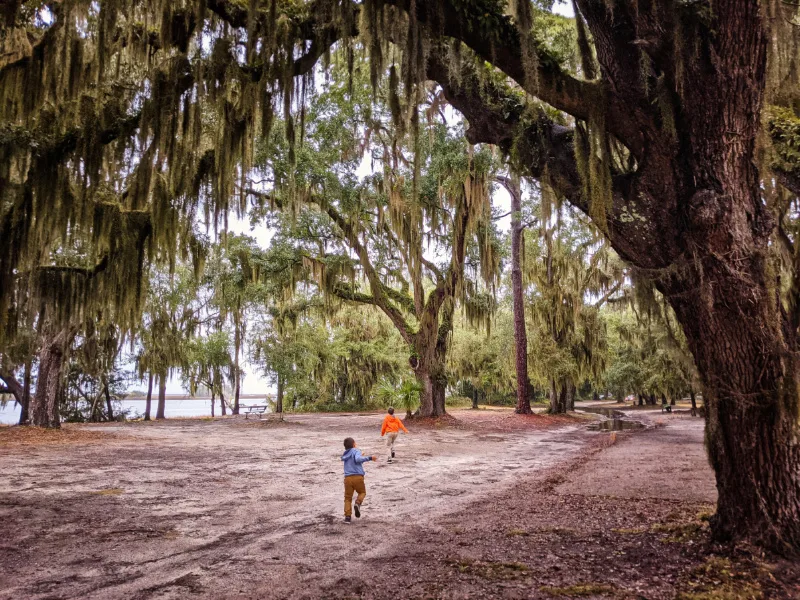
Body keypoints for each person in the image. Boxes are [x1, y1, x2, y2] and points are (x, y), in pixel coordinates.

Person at [341, 437, 376, 524]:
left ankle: (347, 517)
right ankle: (358, 503)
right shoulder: (356, 450)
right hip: (358, 477)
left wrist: (360, 455)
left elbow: (354, 458)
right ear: (353, 444)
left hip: (348, 478)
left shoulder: (345, 454)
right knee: (362, 492)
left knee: (348, 498)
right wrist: (370, 458)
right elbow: (357, 459)